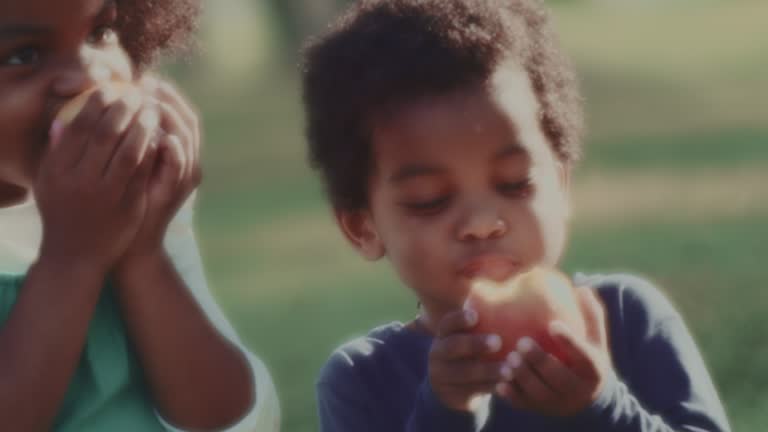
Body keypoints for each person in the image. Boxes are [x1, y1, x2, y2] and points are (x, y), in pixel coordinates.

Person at [301, 0, 731, 430]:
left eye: (515, 184)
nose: (482, 223)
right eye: (429, 200)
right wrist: (446, 412)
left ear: (560, 186)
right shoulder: (361, 379)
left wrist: (604, 405)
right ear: (363, 227)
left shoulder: (625, 317)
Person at [0, 0, 279, 430]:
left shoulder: (123, 202)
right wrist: (73, 257)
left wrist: (142, 252)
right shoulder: (81, 232)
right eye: (24, 55)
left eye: (100, 34)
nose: (90, 76)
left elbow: (221, 416)